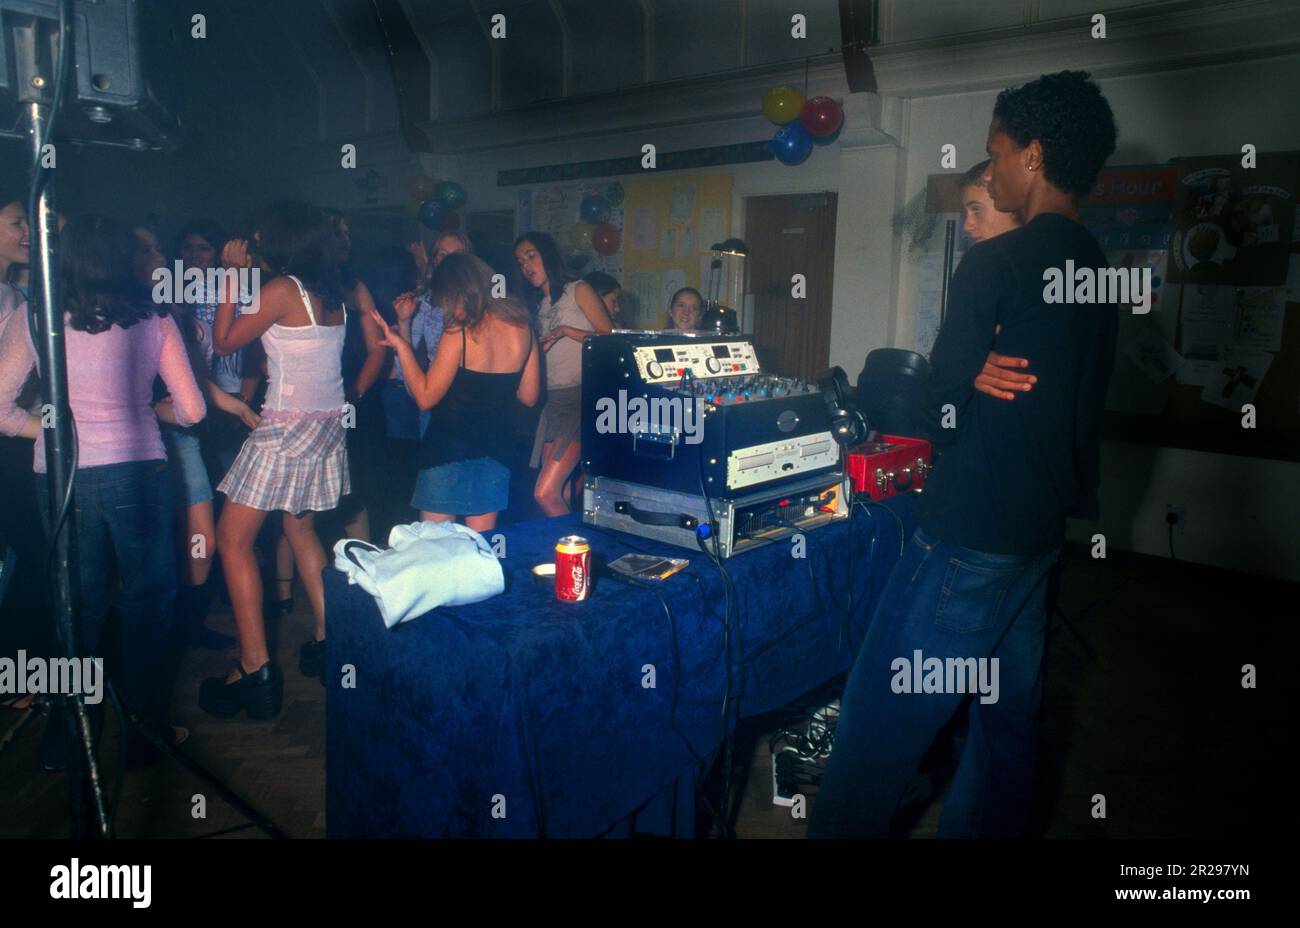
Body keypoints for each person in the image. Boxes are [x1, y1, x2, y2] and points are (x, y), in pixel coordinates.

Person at [810, 70, 1119, 838]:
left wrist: (962, 379)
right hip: (1039, 539)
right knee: (1007, 732)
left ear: (1034, 157)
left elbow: (937, 416)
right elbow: (1076, 409)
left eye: (998, 152)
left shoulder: (993, 266)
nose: (995, 167)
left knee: (875, 729)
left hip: (968, 536)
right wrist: (971, 376)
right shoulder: (1099, 271)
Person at [0, 214, 206, 764]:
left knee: (78, 608)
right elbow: (192, 410)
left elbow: (0, 408)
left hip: (61, 476)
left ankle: (69, 735)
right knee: (148, 605)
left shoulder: (33, 314)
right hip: (137, 472)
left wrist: (55, 428)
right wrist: (137, 411)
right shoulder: (153, 317)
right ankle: (143, 730)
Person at [199, 201, 349, 719]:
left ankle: (255, 668)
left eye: (263, 236)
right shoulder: (332, 293)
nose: (256, 242)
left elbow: (223, 343)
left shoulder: (283, 289)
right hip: (325, 426)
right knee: (302, 532)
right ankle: (332, 644)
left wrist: (231, 276)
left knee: (231, 541)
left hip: (286, 428)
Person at [134, 225, 258, 651]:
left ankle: (188, 624)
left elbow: (195, 381)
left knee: (200, 529)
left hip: (181, 435)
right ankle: (150, 635)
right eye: (144, 249)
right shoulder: (115, 313)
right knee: (147, 539)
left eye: (157, 247)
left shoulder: (172, 311)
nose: (158, 256)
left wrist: (237, 405)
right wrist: (151, 409)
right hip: (129, 445)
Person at [373, 252, 539, 531]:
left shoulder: (459, 332)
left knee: (437, 553)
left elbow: (425, 398)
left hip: (446, 454)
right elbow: (529, 397)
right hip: (496, 454)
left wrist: (401, 347)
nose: (446, 309)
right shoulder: (523, 328)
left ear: (459, 293)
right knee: (481, 552)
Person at [516, 232, 613, 516]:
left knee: (545, 493)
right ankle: (565, 552)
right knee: (564, 492)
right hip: (553, 401)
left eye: (531, 256)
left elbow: (609, 338)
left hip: (581, 397)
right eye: (520, 262)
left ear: (548, 254)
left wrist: (566, 331)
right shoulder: (538, 305)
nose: (526, 266)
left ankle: (574, 553)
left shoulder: (577, 289)